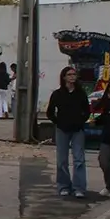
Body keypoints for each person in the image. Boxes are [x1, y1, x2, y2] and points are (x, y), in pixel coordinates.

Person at [47, 66, 91, 198]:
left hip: (77, 130)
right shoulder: (57, 94)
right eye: (69, 74)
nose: (72, 77)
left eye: (74, 74)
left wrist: (81, 121)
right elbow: (50, 112)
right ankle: (64, 186)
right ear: (64, 77)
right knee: (62, 160)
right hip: (62, 130)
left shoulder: (81, 93)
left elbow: (87, 111)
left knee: (79, 160)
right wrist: (58, 122)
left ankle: (79, 188)